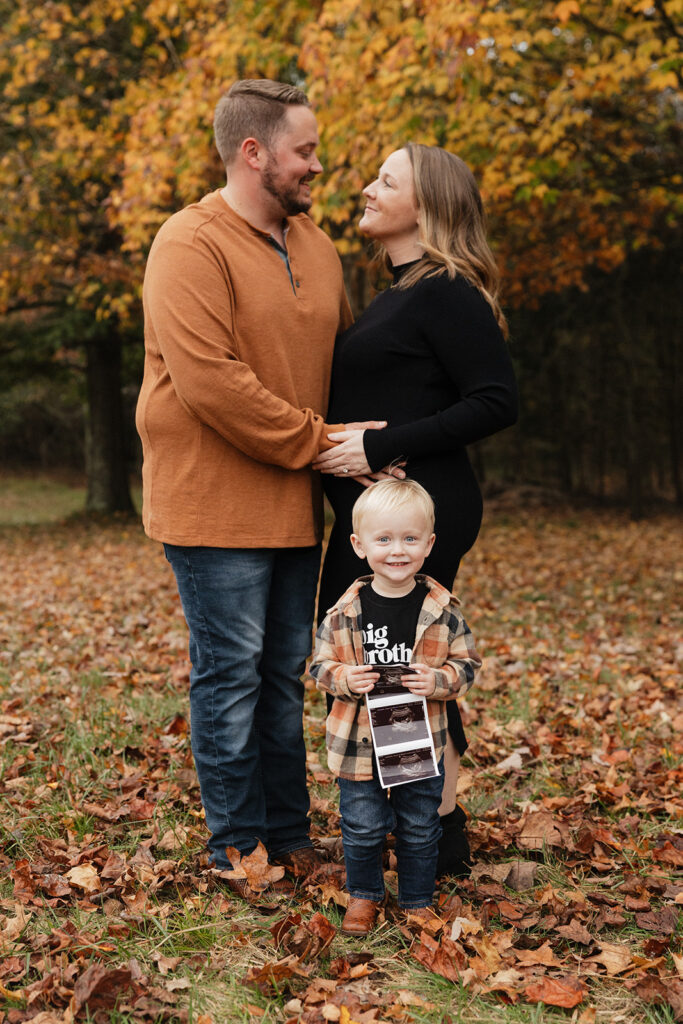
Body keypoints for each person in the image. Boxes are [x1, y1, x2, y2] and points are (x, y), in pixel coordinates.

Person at [136, 79, 384, 896]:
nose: (318, 165)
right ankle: (236, 845)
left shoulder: (315, 244)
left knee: (281, 673)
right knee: (231, 674)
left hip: (291, 503)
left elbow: (345, 359)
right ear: (254, 153)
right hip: (212, 503)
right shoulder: (188, 244)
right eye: (304, 151)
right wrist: (321, 445)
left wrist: (388, 439)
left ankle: (286, 832)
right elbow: (212, 383)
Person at [313, 144, 518, 877]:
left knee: (406, 663)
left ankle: (439, 840)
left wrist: (383, 445)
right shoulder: (398, 291)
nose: (365, 189)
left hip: (417, 518)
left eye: (385, 182)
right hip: (378, 517)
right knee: (385, 664)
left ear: (426, 207)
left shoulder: (444, 290)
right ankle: (427, 835)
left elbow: (496, 399)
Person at [309, 479, 481, 934]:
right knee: (363, 826)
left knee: (421, 825)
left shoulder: (443, 610)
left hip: (418, 742)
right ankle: (364, 895)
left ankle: (417, 899)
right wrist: (345, 679)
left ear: (429, 544)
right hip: (360, 744)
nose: (397, 550)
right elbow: (320, 666)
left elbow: (467, 663)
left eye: (409, 538)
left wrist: (439, 680)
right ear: (358, 545)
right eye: (383, 539)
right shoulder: (343, 613)